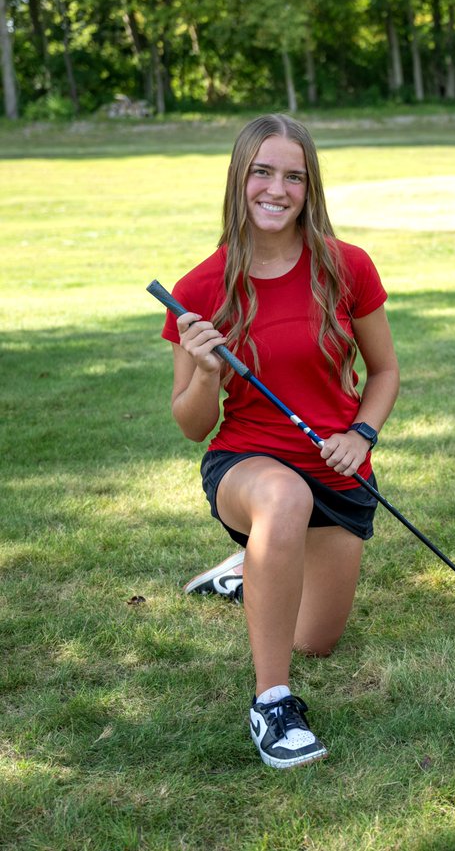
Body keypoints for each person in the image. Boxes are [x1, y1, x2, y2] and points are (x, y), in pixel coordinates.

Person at [161, 114, 399, 769]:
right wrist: (207, 370)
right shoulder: (201, 288)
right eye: (262, 171)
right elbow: (190, 422)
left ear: (309, 187)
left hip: (339, 469)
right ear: (239, 178)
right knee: (283, 496)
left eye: (293, 176)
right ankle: (272, 703)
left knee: (316, 640)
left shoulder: (348, 266)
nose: (277, 188)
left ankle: (253, 568)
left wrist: (362, 432)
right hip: (247, 463)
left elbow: (384, 371)